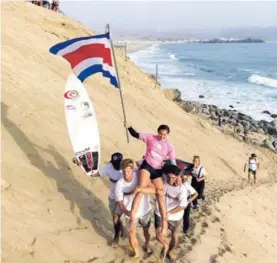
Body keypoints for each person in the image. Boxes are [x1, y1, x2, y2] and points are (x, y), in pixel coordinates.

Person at [125, 123, 176, 237]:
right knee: (141, 189)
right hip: (147, 166)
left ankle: (164, 222)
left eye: (165, 134)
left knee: (160, 194)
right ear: (158, 132)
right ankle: (133, 214)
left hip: (157, 170)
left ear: (167, 134)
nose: (162, 136)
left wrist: (177, 175)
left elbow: (173, 163)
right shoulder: (151, 138)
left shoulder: (169, 146)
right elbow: (136, 134)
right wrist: (129, 127)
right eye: (161, 134)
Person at [136, 165, 187, 261]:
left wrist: (169, 213)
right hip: (159, 213)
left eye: (172, 177)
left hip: (176, 217)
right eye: (168, 177)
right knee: (159, 235)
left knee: (175, 238)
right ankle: (165, 246)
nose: (170, 179)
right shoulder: (163, 180)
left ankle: (169, 251)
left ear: (177, 176)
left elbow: (182, 206)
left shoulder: (182, 189)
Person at [76, 152, 124, 246]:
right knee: (115, 218)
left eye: (118, 164)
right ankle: (120, 229)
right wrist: (82, 166)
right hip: (113, 198)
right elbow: (93, 173)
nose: (116, 166)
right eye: (115, 164)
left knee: (117, 218)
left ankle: (116, 237)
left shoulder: (126, 168)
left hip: (124, 198)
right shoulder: (109, 167)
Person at [114, 159, 152, 259]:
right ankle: (136, 253)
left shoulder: (139, 176)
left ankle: (147, 245)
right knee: (131, 235)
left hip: (145, 211)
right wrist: (128, 212)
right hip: (130, 214)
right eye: (124, 172)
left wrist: (140, 189)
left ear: (132, 170)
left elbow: (152, 189)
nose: (126, 174)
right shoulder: (119, 184)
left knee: (146, 232)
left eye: (128, 171)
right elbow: (120, 203)